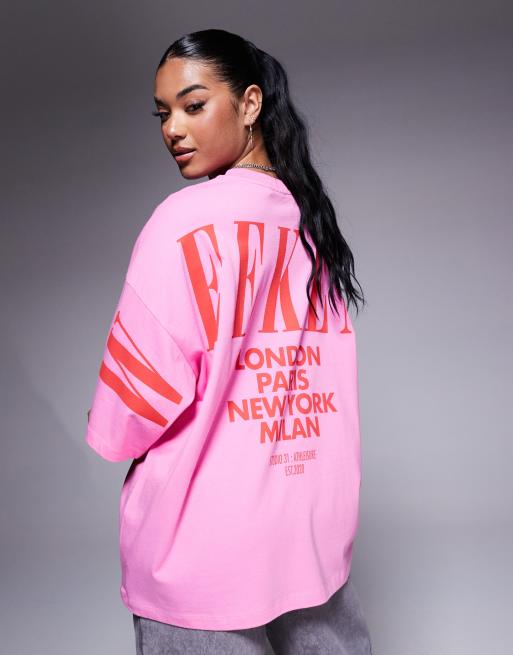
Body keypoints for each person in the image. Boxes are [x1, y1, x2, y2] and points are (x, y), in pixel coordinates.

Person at [85, 28, 373, 654]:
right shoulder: (311, 221)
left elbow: (131, 408)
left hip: (201, 550)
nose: (173, 129)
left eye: (193, 106)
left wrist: (106, 423)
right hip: (308, 539)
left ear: (249, 104)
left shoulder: (183, 222)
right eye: (163, 114)